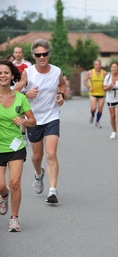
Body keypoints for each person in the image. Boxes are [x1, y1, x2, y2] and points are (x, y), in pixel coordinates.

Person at [13, 38, 66, 204]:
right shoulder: (28, 72)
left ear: (49, 54)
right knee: (37, 156)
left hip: (52, 116)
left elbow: (62, 85)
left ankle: (52, 191)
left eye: (45, 54)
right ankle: (38, 174)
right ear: (34, 56)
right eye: (38, 55)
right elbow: (14, 91)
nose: (42, 57)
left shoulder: (57, 71)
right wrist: (26, 94)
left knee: (51, 153)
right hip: (33, 119)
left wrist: (61, 95)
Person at [0, 60, 36, 232]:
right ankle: (4, 196)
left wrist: (24, 120)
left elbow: (33, 120)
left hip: (15, 147)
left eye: (6, 72)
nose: (2, 75)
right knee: (1, 186)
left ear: (12, 75)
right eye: (0, 73)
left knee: (14, 182)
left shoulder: (21, 98)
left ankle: (14, 218)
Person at [83, 60, 107, 128]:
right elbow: (85, 81)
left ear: (101, 65)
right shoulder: (90, 72)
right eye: (96, 65)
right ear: (94, 65)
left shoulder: (104, 73)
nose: (98, 66)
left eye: (99, 65)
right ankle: (92, 114)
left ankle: (97, 121)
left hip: (102, 93)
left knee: (100, 109)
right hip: (93, 93)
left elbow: (108, 81)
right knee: (93, 108)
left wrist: (106, 87)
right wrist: (89, 87)